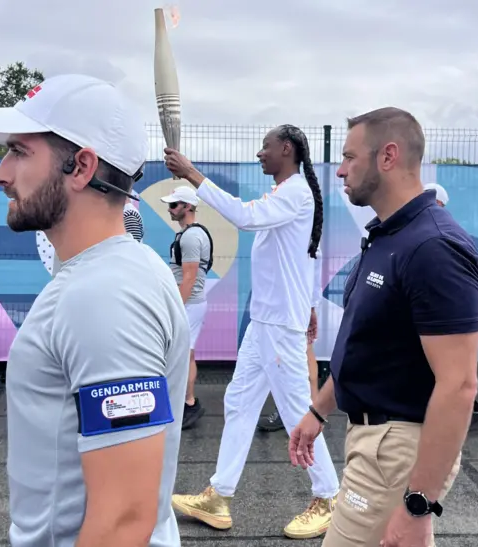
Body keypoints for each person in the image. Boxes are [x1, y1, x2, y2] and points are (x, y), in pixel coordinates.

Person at [0, 73, 189, 547]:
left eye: (20, 152)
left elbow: (124, 519)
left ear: (82, 166)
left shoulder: (104, 294)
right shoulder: (110, 273)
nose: (0, 174)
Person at [289, 107, 478, 547]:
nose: (340, 170)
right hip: (375, 441)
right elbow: (366, 345)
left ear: (388, 156)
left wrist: (418, 503)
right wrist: (319, 410)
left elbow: (459, 385)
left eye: (349, 157)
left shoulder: (433, 247)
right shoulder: (389, 236)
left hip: (396, 450)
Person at [165, 124, 340, 539]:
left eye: (265, 147)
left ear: (286, 149)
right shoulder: (285, 194)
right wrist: (312, 305)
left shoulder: (295, 192)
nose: (259, 154)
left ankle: (329, 496)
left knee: (299, 407)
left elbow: (244, 218)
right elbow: (308, 257)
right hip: (267, 321)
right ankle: (219, 496)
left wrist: (192, 174)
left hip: (279, 322)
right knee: (240, 400)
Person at [424, 182, 478, 427]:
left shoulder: (444, 235)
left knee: (448, 371)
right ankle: (468, 410)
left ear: (438, 204)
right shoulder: (435, 231)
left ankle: (465, 412)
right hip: (438, 316)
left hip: (443, 318)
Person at [160, 185, 213, 429]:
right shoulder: (190, 234)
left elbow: (189, 278)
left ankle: (189, 402)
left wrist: (175, 307)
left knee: (186, 353)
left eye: (174, 204)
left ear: (188, 207)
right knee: (185, 352)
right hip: (190, 303)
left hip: (189, 304)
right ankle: (186, 401)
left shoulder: (191, 236)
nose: (170, 209)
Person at [257, 246, 323, 432]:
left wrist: (310, 307)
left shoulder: (301, 237)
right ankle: (313, 411)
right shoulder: (311, 239)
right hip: (298, 307)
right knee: (306, 356)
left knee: (298, 359)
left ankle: (305, 413)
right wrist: (311, 307)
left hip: (290, 310)